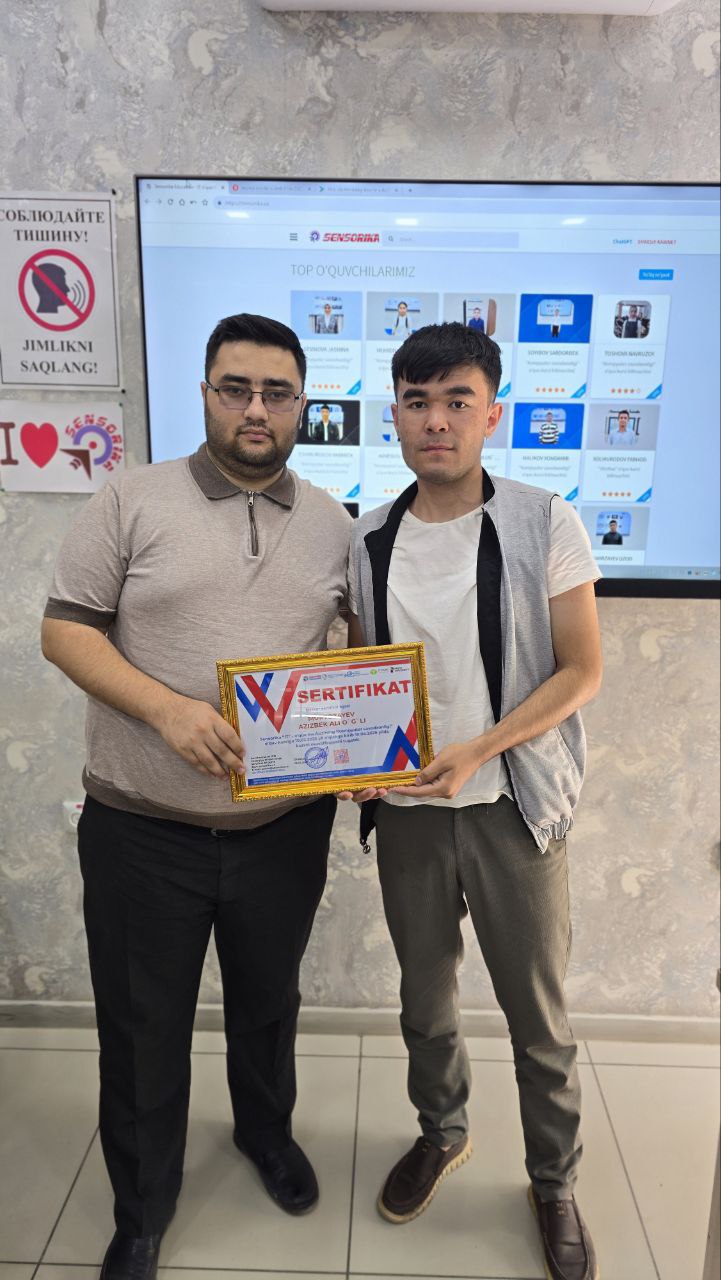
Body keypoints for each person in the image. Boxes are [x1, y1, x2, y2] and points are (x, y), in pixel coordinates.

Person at [41, 314, 352, 1280]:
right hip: (142, 830)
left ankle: (265, 1133)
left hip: (282, 831)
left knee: (267, 1004)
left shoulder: (335, 522)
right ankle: (142, 1208)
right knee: (142, 1028)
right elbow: (65, 631)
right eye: (236, 388)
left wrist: (354, 714)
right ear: (206, 393)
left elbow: (351, 651)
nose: (256, 408)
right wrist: (168, 712)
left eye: (276, 392)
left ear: (302, 404)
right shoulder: (128, 499)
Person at [343, 322, 602, 1280]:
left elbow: (581, 670)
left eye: (458, 401)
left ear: (491, 414)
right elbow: (358, 671)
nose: (436, 421)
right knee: (424, 999)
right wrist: (349, 754)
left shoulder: (544, 521)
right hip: (409, 815)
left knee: (538, 1016)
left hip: (512, 808)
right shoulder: (367, 535)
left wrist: (479, 751)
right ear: (395, 415)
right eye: (417, 402)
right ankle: (440, 1131)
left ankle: (553, 1182)